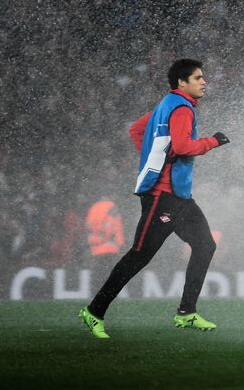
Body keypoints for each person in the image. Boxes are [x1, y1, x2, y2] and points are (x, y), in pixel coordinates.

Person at [78, 59, 230, 337]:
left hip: (179, 197)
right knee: (139, 256)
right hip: (164, 197)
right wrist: (213, 141)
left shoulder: (165, 106)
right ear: (181, 83)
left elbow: (136, 130)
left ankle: (187, 313)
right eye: (197, 78)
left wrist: (153, 159)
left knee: (205, 245)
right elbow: (183, 146)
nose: (203, 81)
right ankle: (94, 311)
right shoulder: (182, 108)